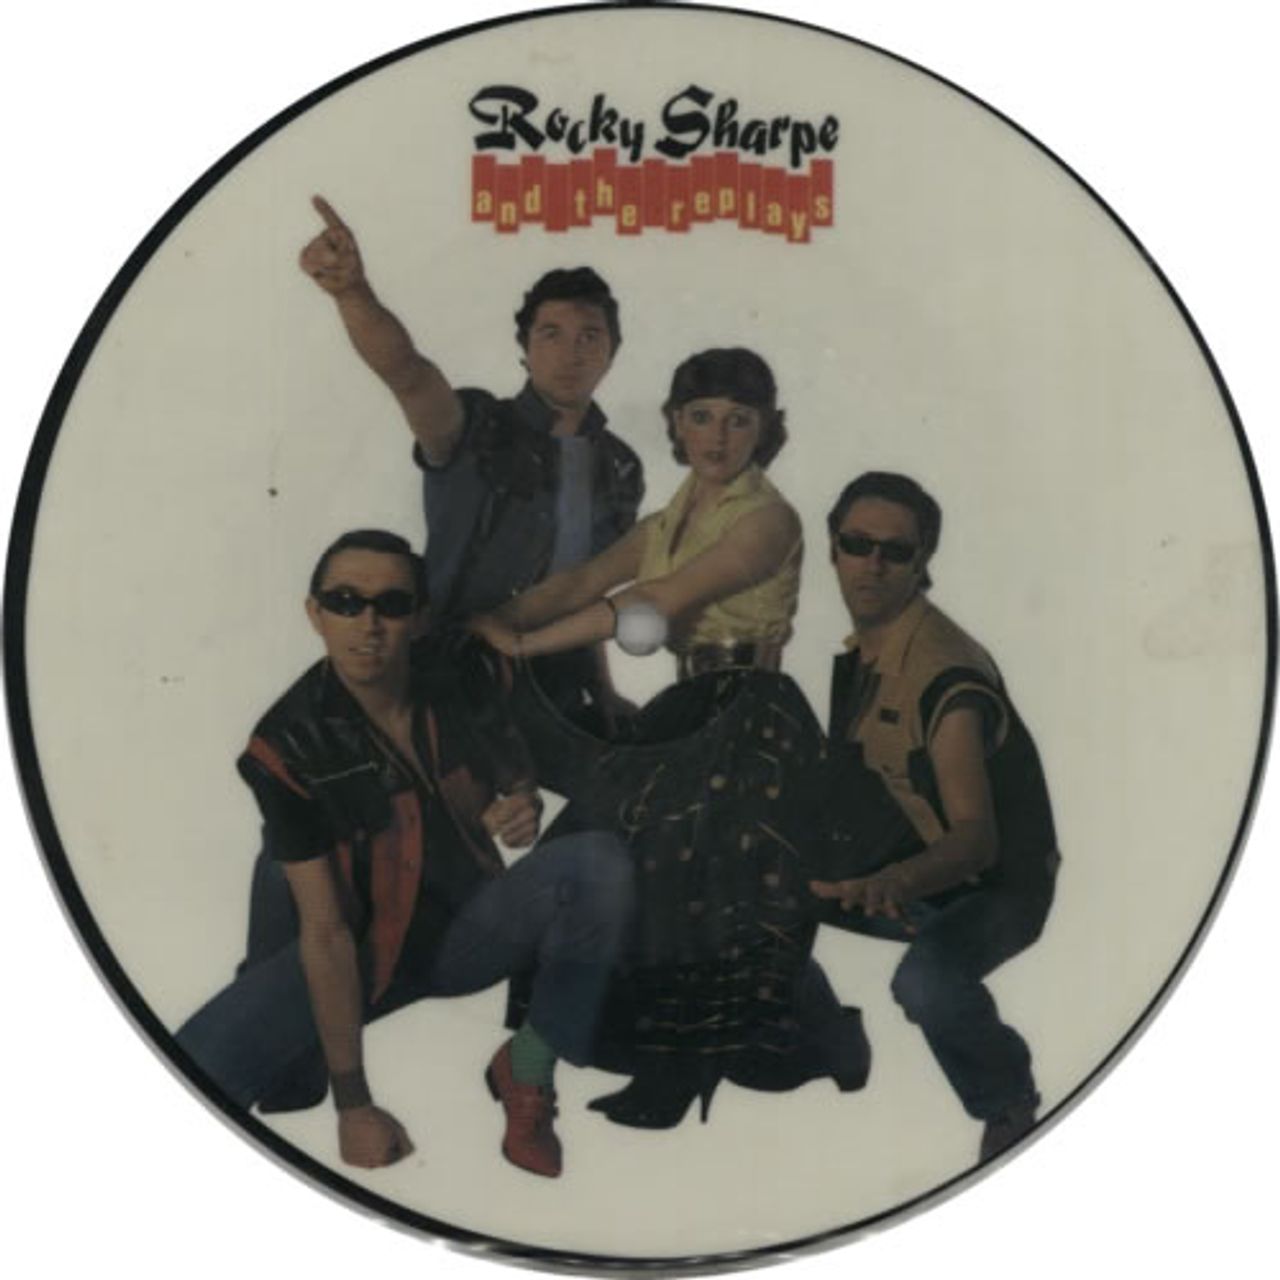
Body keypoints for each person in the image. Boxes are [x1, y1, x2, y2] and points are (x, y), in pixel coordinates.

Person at [471, 349, 868, 1129]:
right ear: (677, 425)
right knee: (627, 866)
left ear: (766, 430)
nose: (717, 436)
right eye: (701, 417)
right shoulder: (668, 520)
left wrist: (522, 646)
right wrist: (489, 620)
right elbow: (580, 584)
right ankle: (666, 1063)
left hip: (752, 714)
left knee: (723, 891)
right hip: (689, 707)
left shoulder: (769, 519)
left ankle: (778, 1049)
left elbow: (656, 602)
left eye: (739, 420)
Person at [175, 530, 634, 1179]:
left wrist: (520, 800)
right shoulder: (288, 743)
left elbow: (510, 766)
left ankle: (527, 1067)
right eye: (345, 602)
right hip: (360, 957)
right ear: (314, 613)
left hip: (463, 934)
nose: (368, 625)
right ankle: (300, 1052)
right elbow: (326, 934)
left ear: (418, 617)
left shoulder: (459, 672)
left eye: (391, 605)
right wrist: (354, 1105)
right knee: (188, 1079)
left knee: (599, 863)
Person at [299, 197, 643, 727]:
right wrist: (353, 292)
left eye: (589, 337)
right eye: (551, 334)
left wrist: (605, 691)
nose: (570, 353)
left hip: (557, 688)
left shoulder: (619, 466)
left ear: (612, 353)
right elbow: (408, 374)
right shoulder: (479, 427)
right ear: (525, 348)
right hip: (450, 680)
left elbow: (586, 587)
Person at [809, 472, 1060, 1162]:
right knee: (752, 879)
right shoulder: (870, 647)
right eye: (857, 544)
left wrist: (891, 882)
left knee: (925, 982)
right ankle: (826, 1039)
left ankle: (1008, 1105)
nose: (873, 565)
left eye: (895, 551)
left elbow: (976, 841)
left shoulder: (946, 672)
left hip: (996, 886)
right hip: (912, 855)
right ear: (833, 548)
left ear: (921, 562)